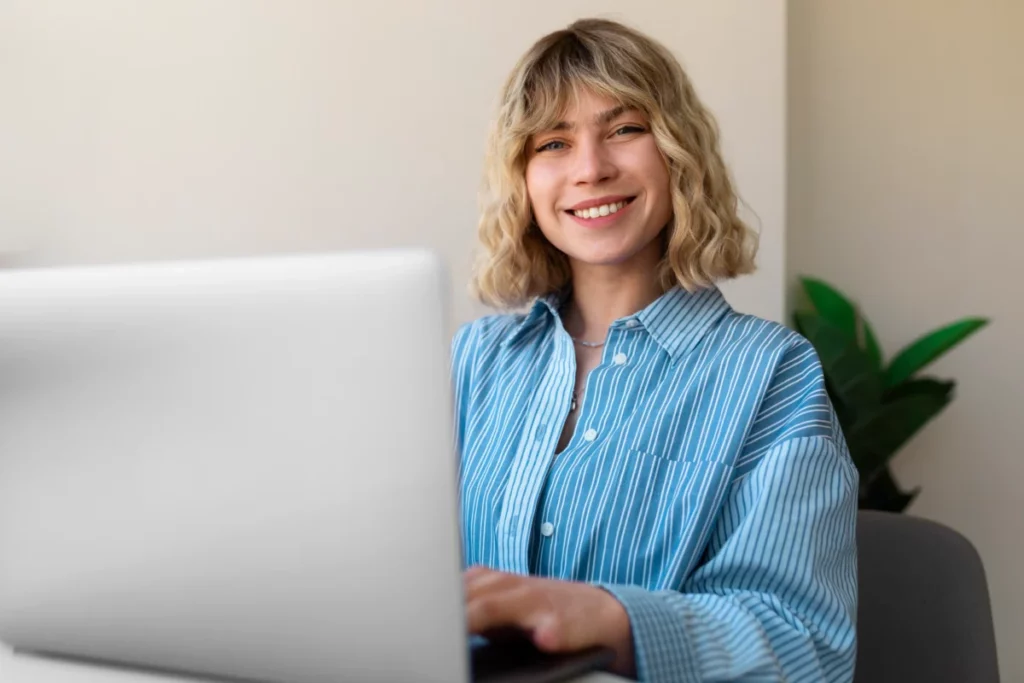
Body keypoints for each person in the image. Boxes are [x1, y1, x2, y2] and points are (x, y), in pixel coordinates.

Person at [451, 17, 858, 683]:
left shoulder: (771, 374)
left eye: (624, 129)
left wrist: (609, 617)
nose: (591, 168)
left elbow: (802, 646)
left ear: (678, 153)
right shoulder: (476, 360)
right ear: (523, 179)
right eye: (553, 142)